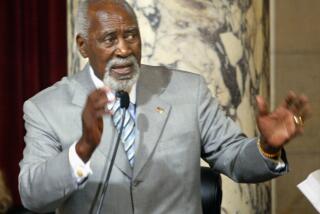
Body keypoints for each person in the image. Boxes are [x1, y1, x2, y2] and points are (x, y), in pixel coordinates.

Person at [18, 0, 310, 213]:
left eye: (130, 35)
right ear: (83, 46)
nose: (123, 49)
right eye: (109, 38)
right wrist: (81, 150)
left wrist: (267, 147)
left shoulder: (186, 91)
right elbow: (33, 195)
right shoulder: (46, 108)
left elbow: (233, 158)